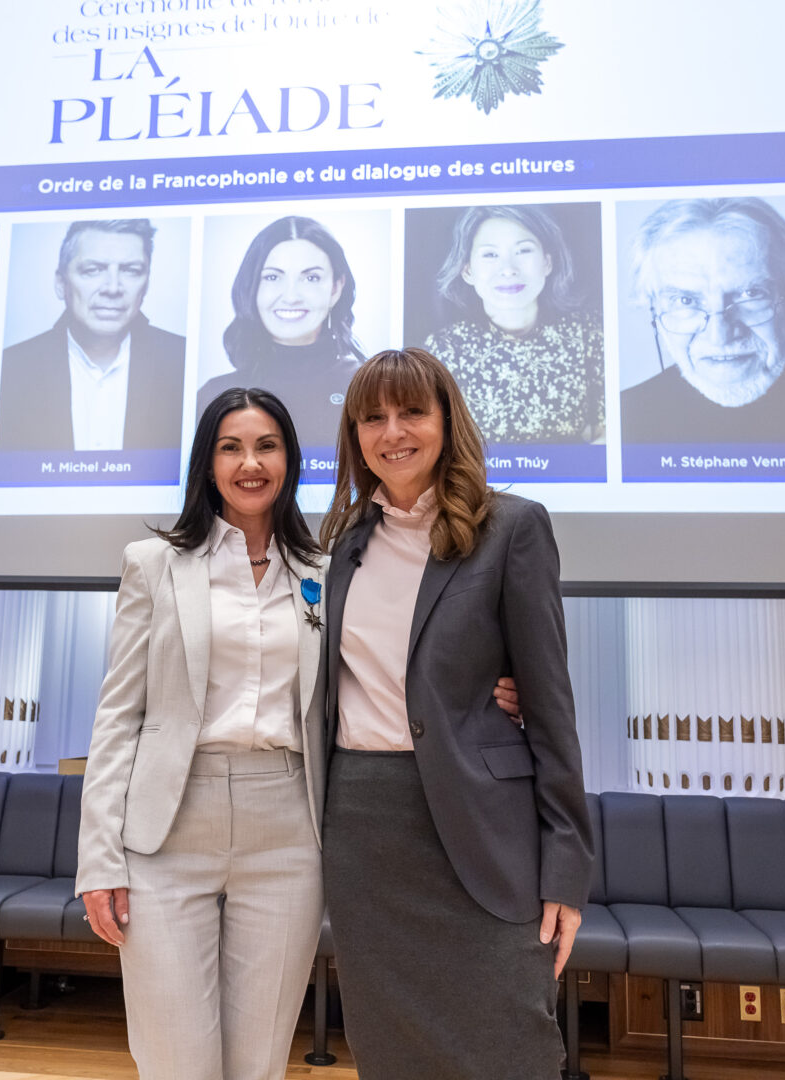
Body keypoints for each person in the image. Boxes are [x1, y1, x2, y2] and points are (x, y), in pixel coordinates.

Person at [77, 386, 523, 1080]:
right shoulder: (153, 565)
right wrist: (98, 858)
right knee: (174, 1061)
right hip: (165, 831)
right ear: (206, 464)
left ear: (290, 461)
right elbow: (118, 717)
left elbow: (391, 659)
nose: (249, 463)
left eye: (266, 446)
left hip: (287, 828)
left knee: (257, 1062)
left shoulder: (327, 568)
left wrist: (491, 690)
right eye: (230, 447)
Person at [317, 347, 595, 1079]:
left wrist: (566, 864)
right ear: (354, 437)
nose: (392, 431)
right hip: (364, 829)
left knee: (508, 1034)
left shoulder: (512, 528)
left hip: (481, 826)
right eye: (371, 417)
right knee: (389, 1043)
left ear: (447, 420)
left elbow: (550, 705)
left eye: (411, 410)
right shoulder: (339, 544)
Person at [620, 197, 785, 444]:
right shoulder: (619, 421)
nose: (719, 335)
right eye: (685, 301)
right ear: (654, 313)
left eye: (751, 294)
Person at [0, 219, 186, 454]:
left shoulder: (183, 361)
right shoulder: (10, 368)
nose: (113, 288)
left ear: (146, 285)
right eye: (92, 270)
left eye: (131, 271)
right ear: (60, 283)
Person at [425, 205, 604, 443]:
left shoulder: (588, 332)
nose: (508, 269)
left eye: (523, 251)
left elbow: (606, 433)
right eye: (490, 255)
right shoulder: (444, 349)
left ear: (547, 263)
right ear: (467, 271)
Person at [197, 216, 365, 449]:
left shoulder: (366, 386)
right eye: (273, 277)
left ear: (336, 288)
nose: (291, 296)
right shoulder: (213, 395)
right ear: (252, 288)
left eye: (311, 277)